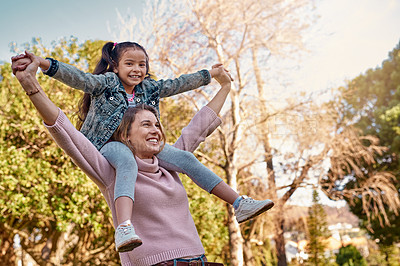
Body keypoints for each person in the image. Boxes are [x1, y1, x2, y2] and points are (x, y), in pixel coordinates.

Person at [12, 45, 274, 253]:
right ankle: (124, 227)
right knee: (127, 162)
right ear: (114, 66)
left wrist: (212, 76)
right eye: (129, 64)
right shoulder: (106, 84)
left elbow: (180, 84)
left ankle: (239, 203)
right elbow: (78, 79)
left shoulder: (150, 89)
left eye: (142, 64)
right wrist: (44, 65)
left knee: (185, 157)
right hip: (110, 145)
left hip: (145, 152)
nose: (137, 69)